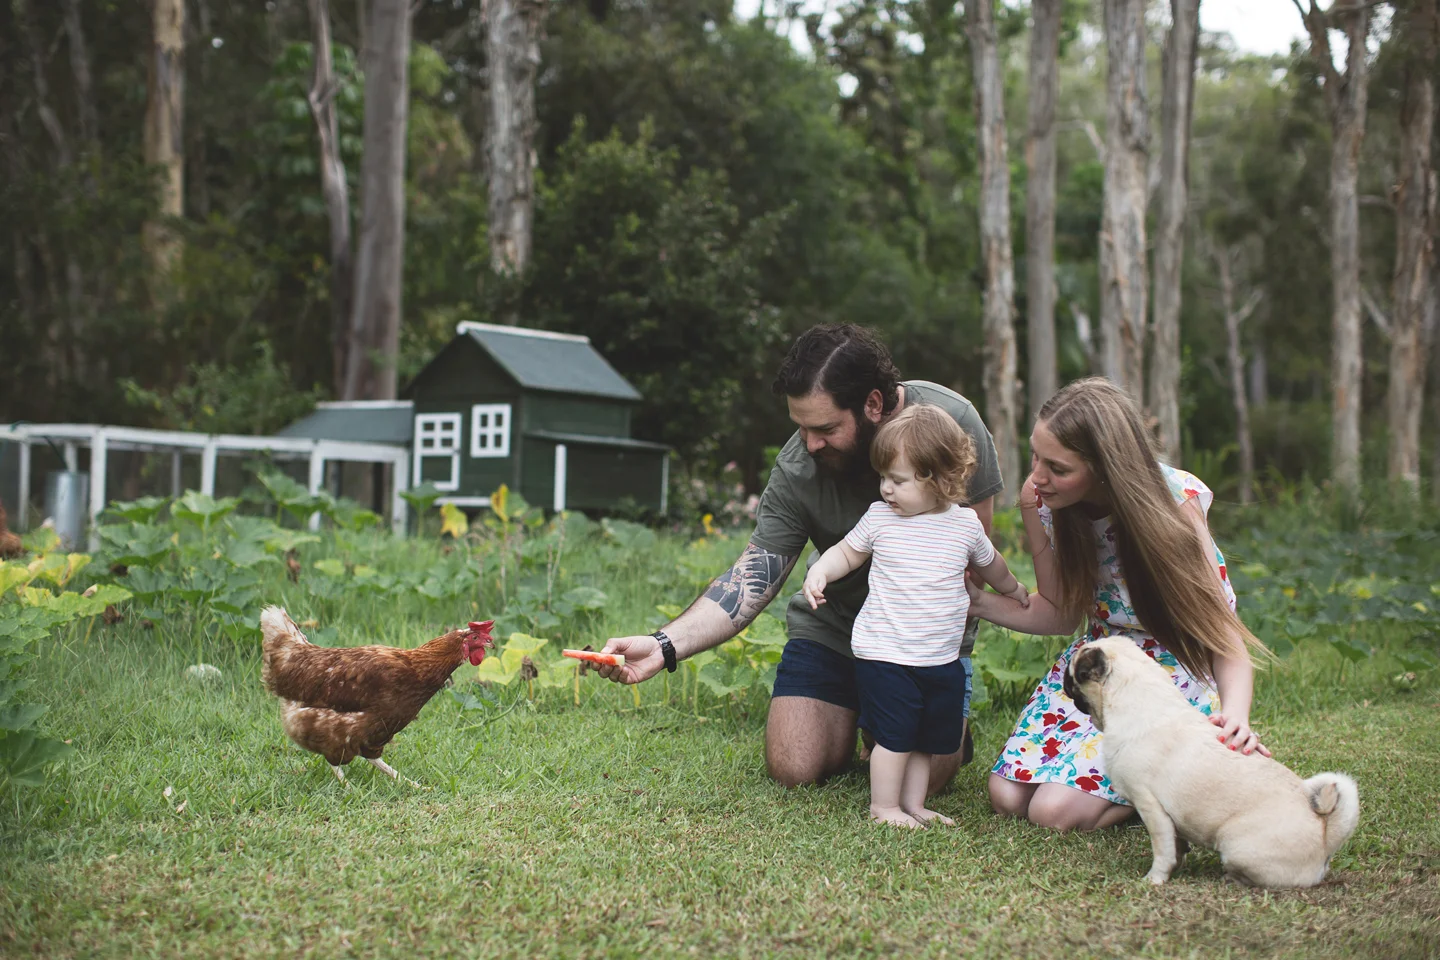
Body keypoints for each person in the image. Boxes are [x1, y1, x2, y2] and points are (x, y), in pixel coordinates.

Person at [594, 323, 1004, 791]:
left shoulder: (954, 423)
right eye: (801, 427)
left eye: (825, 428)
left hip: (922, 642)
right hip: (837, 628)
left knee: (927, 779)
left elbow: (970, 563)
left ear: (873, 404)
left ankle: (931, 727)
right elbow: (752, 576)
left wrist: (925, 662)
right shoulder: (799, 466)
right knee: (794, 766)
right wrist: (664, 645)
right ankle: (868, 715)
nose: (810, 444)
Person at [968, 377, 1272, 832]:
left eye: (1058, 467)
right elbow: (1059, 613)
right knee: (1007, 796)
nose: (1036, 477)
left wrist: (1237, 717)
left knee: (1053, 813)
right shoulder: (1043, 502)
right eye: (1035, 456)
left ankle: (1169, 790)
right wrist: (974, 601)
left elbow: (1222, 631)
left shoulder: (1173, 504)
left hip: (1170, 673)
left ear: (1105, 467)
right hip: (1097, 667)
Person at [801, 404, 1028, 826]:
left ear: (940, 479)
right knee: (894, 737)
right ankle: (883, 807)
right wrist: (820, 572)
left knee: (925, 740)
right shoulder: (880, 519)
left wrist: (1012, 589)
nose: (886, 489)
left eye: (898, 480)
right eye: (883, 477)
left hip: (940, 658)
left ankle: (915, 805)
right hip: (885, 654)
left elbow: (990, 564)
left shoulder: (964, 526)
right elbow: (846, 553)